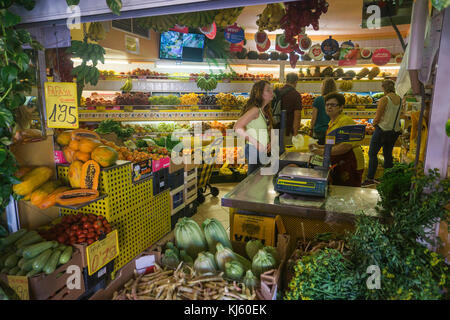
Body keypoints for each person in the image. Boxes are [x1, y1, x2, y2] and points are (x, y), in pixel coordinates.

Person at [309, 92, 365, 187]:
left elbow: (345, 146)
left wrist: (322, 152)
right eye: (327, 105)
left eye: (333, 105)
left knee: (348, 192)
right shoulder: (332, 122)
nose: (329, 107)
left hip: (350, 161)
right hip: (340, 161)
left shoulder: (345, 121)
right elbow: (333, 145)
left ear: (341, 107)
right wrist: (319, 147)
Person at [362, 80, 402, 187]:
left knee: (372, 153)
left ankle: (370, 178)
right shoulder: (400, 99)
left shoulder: (385, 99)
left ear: (384, 87)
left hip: (382, 130)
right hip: (394, 132)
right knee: (388, 154)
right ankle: (387, 178)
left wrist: (374, 124)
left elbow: (378, 117)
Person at [234, 80, 274, 175]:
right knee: (253, 182)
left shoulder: (264, 111)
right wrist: (256, 143)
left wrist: (271, 142)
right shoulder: (255, 110)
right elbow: (237, 127)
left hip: (261, 151)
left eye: (271, 90)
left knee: (258, 181)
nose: (272, 92)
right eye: (268, 90)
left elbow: (267, 130)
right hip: (253, 150)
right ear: (260, 93)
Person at [272, 73, 302, 146]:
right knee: (286, 154)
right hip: (287, 131)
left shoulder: (277, 92)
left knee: (275, 153)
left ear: (286, 80)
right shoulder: (296, 95)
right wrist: (295, 135)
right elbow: (297, 117)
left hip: (274, 128)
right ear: (296, 82)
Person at [309, 77, 335, 145]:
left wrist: (311, 129)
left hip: (319, 132)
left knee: (318, 151)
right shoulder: (336, 101)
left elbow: (314, 118)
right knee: (329, 150)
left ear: (323, 87)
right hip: (331, 132)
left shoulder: (318, 99)